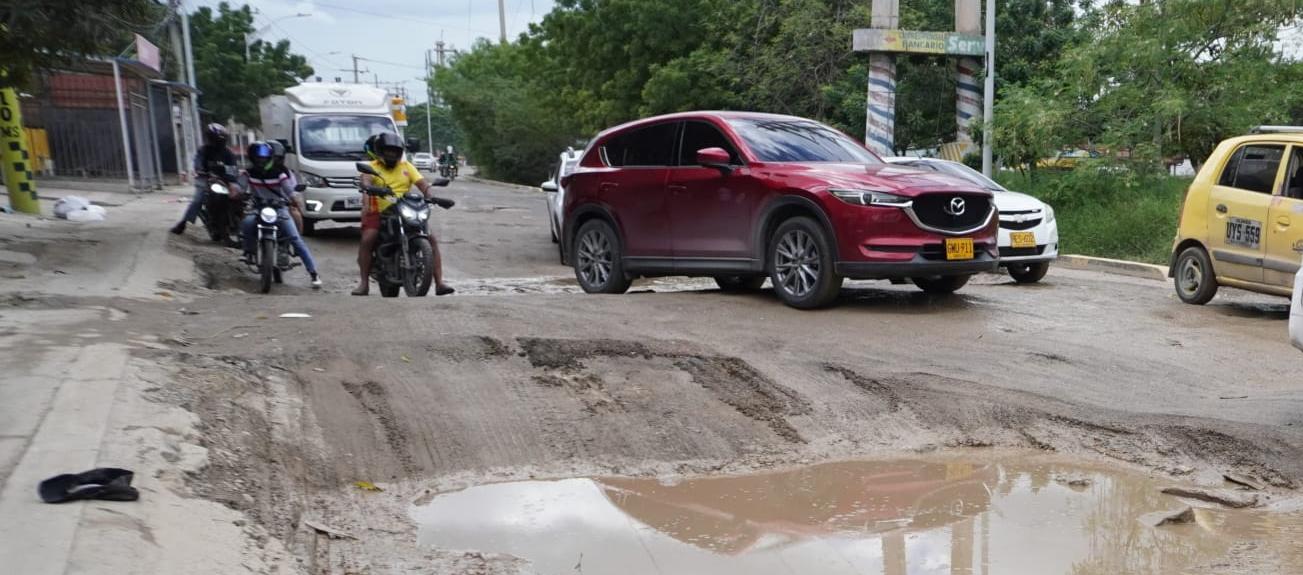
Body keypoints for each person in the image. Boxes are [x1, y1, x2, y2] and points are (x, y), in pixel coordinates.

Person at [353, 132, 453, 296]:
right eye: (388, 151)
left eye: (395, 152)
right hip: (380, 211)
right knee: (368, 238)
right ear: (380, 151)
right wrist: (370, 188)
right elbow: (366, 181)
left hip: (405, 208)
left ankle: (439, 283)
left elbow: (423, 184)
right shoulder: (372, 167)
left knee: (431, 239)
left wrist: (431, 196)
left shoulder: (407, 167)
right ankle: (364, 284)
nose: (391, 154)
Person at [239, 141, 322, 289]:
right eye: (257, 157)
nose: (261, 160)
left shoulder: (280, 173)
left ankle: (313, 273)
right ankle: (248, 252)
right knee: (247, 223)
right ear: (252, 158)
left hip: (279, 209)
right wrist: (236, 194)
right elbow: (240, 188)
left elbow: (289, 190)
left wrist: (295, 200)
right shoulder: (248, 173)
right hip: (258, 208)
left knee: (295, 238)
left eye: (264, 158)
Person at [172, 123, 237, 236]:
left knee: (238, 196)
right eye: (216, 139)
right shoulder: (204, 150)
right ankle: (183, 223)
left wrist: (232, 182)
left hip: (224, 180)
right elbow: (198, 161)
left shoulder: (228, 153)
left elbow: (233, 168)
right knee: (198, 199)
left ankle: (237, 222)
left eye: (221, 139)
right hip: (206, 178)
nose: (219, 142)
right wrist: (199, 169)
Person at [268, 140, 305, 233]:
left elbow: (293, 190)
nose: (274, 161)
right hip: (260, 206)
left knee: (296, 215)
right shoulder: (254, 172)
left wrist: (293, 201)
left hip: (282, 206)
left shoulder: (287, 173)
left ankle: (297, 241)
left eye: (277, 158)